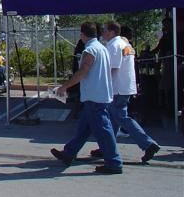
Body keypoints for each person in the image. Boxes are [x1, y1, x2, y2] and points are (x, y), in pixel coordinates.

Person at [50, 21, 123, 174]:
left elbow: (82, 72)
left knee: (104, 131)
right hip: (99, 95)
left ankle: (114, 162)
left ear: (82, 35)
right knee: (84, 128)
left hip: (94, 97)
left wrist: (64, 87)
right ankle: (69, 153)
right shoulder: (102, 48)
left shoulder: (90, 50)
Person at [90, 21, 160, 163]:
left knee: (121, 117)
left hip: (118, 87)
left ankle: (148, 144)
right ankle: (107, 147)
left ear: (112, 32)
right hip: (125, 86)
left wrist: (101, 83)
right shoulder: (124, 44)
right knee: (113, 119)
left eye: (105, 30)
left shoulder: (114, 45)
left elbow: (112, 68)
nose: (103, 33)